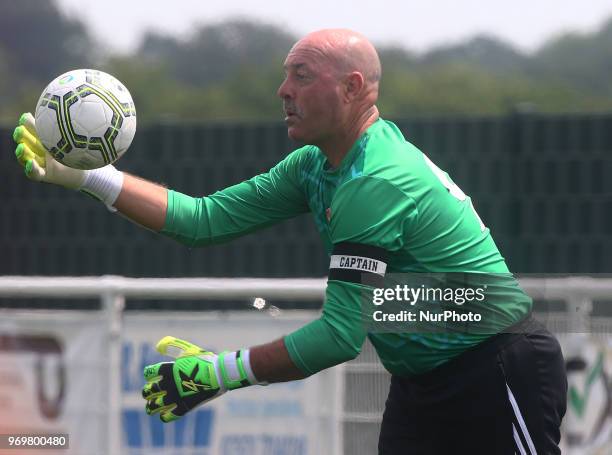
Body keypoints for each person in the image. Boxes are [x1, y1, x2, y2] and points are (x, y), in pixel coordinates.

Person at [13, 29, 566, 454]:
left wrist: (218, 371)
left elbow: (339, 336)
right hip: (423, 384)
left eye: (301, 76)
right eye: (285, 75)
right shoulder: (316, 165)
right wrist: (86, 177)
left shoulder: (374, 181)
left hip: (496, 372)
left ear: (352, 89)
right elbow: (201, 219)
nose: (283, 90)